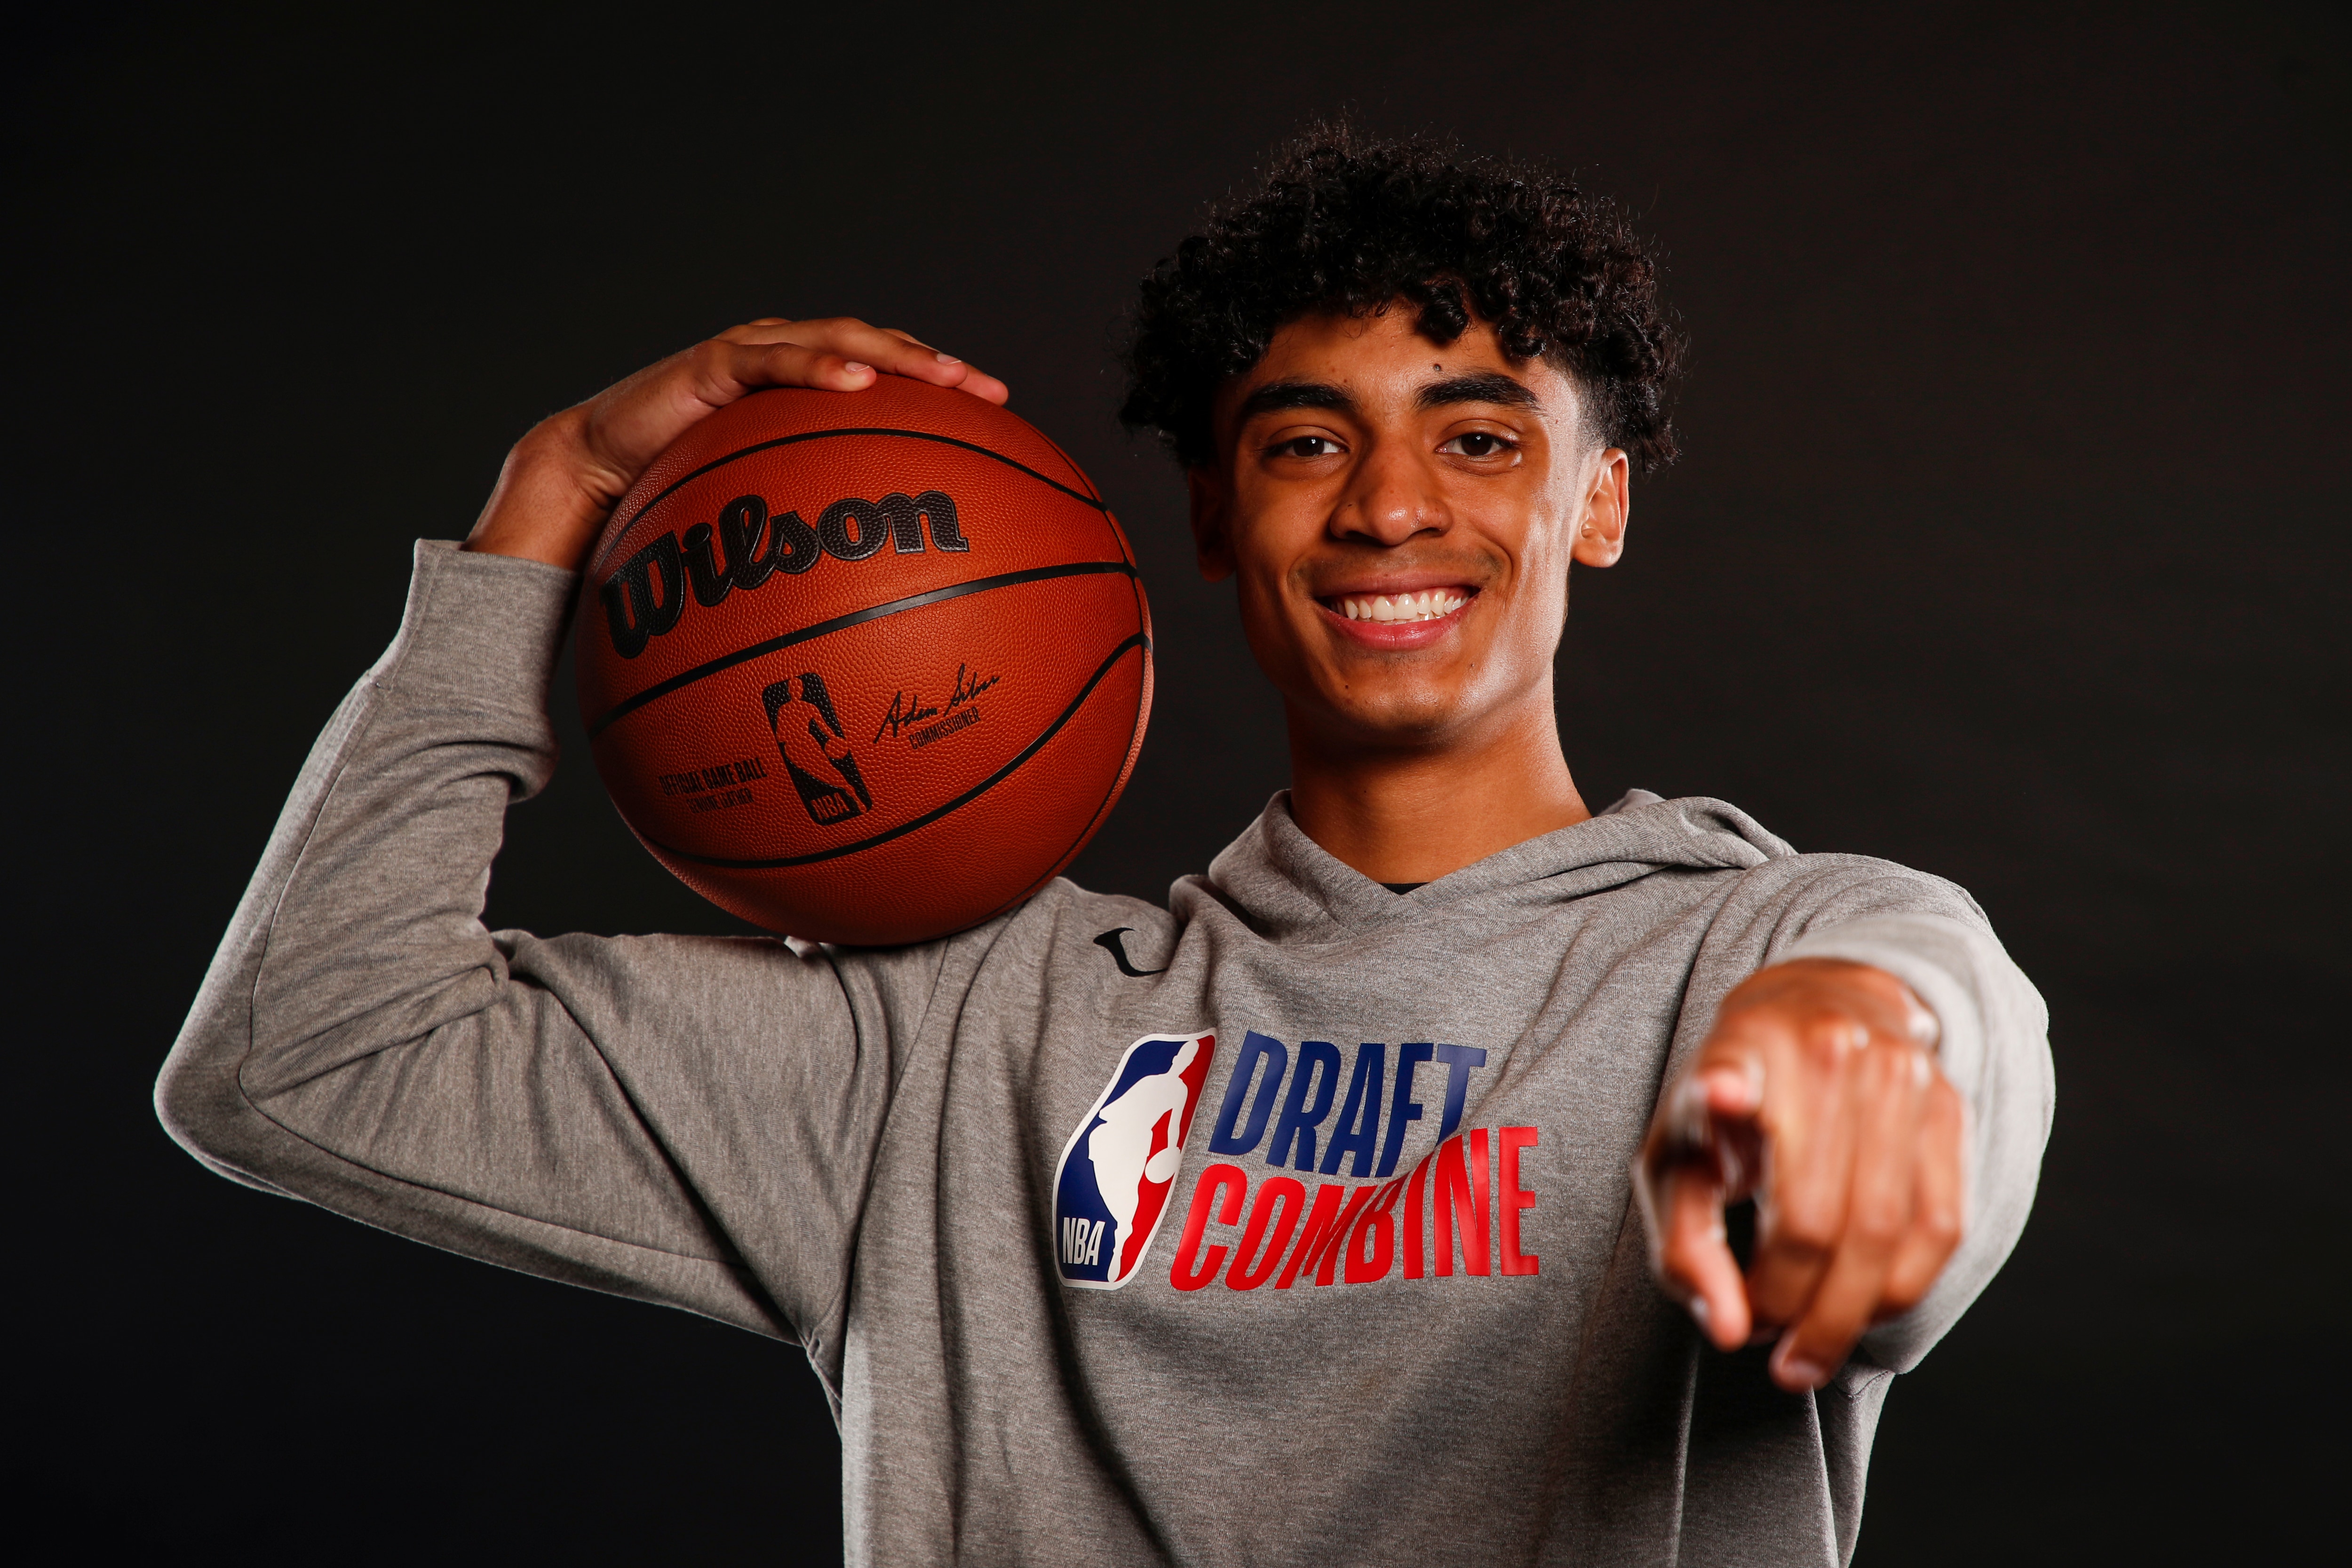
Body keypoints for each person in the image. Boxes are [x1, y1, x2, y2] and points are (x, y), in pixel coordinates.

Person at [158, 130, 2053, 1565]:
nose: (1393, 504)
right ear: (1219, 523)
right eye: (1307, 444)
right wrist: (552, 493)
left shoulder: (1772, 951)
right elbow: (304, 1056)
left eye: (1478, 440)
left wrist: (1865, 1061)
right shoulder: (947, 1042)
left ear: (1598, 501)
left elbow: (1913, 1053)